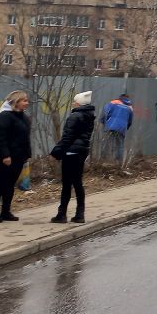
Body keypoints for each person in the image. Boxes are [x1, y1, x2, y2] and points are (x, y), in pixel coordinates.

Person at [52, 91, 96, 224]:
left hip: (71, 152)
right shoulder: (89, 116)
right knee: (77, 183)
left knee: (66, 184)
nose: (73, 103)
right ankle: (80, 214)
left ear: (79, 103)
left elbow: (68, 136)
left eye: (75, 101)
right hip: (82, 151)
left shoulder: (75, 116)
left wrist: (57, 150)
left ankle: (62, 214)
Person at [0, 90, 32, 223]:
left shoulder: (24, 117)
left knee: (10, 185)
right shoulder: (4, 116)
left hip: (19, 157)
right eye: (24, 100)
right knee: (0, 184)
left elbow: (25, 138)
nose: (27, 103)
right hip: (5, 158)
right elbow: (0, 138)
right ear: (16, 102)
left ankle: (5, 211)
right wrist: (5, 155)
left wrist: (27, 154)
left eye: (27, 100)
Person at [101, 92, 134, 163]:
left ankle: (103, 159)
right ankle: (118, 162)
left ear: (120, 97)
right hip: (121, 128)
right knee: (120, 145)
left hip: (111, 125)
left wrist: (103, 122)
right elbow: (130, 120)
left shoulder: (113, 102)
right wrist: (126, 127)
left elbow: (105, 112)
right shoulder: (130, 107)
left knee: (106, 143)